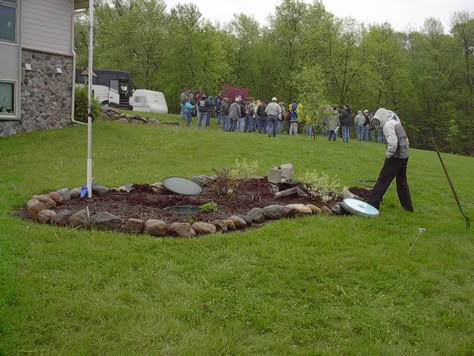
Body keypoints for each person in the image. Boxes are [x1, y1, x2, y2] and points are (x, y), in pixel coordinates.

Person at [368, 108, 413, 212]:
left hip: (396, 156)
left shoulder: (388, 125)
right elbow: (406, 139)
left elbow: (392, 143)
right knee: (402, 182)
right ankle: (408, 207)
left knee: (383, 180)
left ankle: (372, 205)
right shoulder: (395, 122)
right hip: (404, 155)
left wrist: (388, 155)